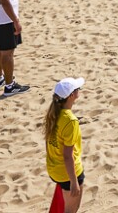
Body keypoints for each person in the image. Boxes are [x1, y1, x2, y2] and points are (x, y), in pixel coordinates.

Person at [45, 77, 85, 212]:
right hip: (68, 173)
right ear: (72, 95)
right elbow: (68, 156)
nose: (79, 89)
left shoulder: (53, 114)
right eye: (77, 88)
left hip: (54, 169)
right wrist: (74, 182)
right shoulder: (70, 121)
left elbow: (49, 143)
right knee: (71, 210)